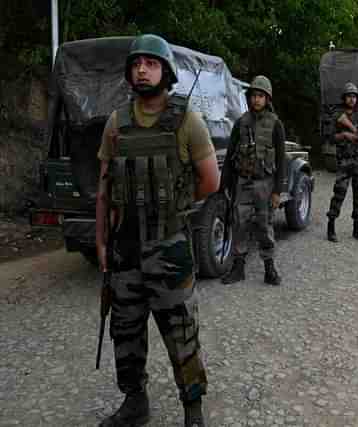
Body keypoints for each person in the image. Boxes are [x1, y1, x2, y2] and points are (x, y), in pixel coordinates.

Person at [95, 34, 219, 427]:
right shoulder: (117, 123)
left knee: (182, 332)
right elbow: (104, 188)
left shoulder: (186, 121)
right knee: (126, 332)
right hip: (126, 250)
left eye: (150, 63)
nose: (142, 70)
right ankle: (135, 402)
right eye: (136, 64)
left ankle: (193, 408)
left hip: (169, 246)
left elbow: (210, 181)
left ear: (166, 72)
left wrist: (174, 209)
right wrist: (101, 242)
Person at [220, 75, 286, 286]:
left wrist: (277, 191)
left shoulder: (276, 125)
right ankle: (238, 267)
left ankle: (269, 268)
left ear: (267, 99)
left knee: (264, 225)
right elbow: (231, 156)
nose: (256, 100)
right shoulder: (240, 123)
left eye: (260, 96)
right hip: (243, 182)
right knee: (239, 224)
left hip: (264, 184)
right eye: (253, 96)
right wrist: (225, 186)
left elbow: (281, 160)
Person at [326, 82, 358, 242]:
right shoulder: (337, 114)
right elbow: (331, 138)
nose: (352, 99)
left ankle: (357, 228)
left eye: (354, 96)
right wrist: (345, 135)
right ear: (344, 98)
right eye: (349, 96)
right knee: (339, 193)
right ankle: (331, 226)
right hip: (345, 161)